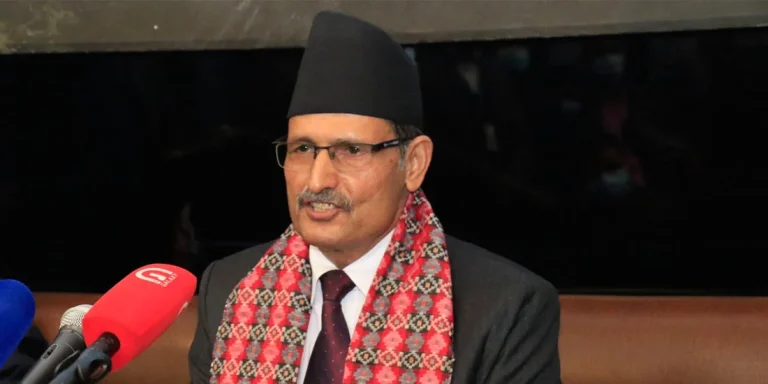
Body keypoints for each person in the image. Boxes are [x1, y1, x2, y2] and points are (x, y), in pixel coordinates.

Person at [188, 11, 561, 384]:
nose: (317, 180)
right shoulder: (229, 289)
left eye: (351, 150)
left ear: (413, 163)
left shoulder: (504, 308)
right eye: (302, 148)